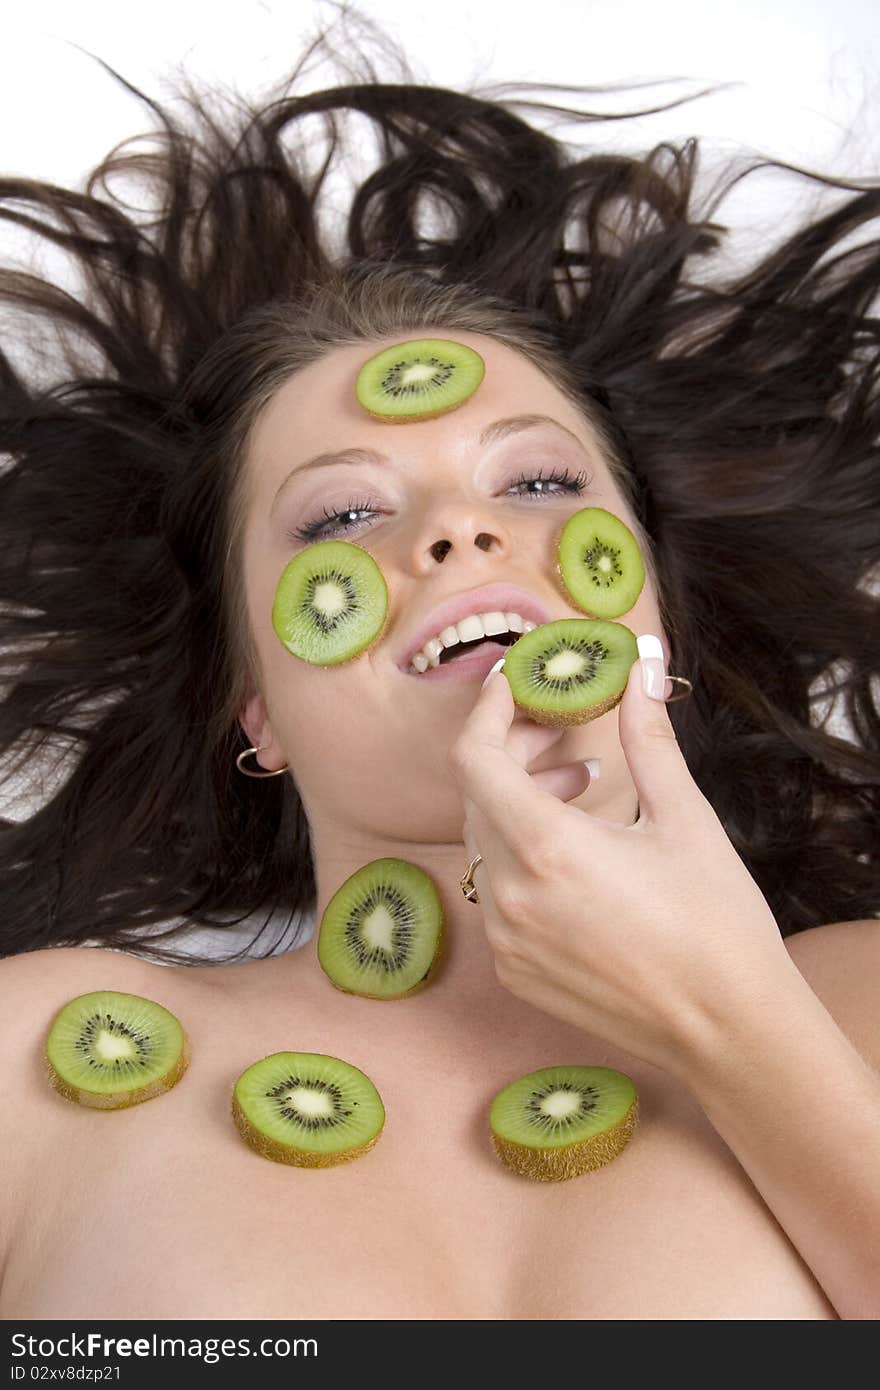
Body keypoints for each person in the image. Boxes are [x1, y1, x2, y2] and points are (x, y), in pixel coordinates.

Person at [1, 8, 878, 1321]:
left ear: (658, 630)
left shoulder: (853, 1002)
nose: (462, 531)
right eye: (343, 516)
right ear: (262, 710)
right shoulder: (39, 1053)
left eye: (536, 479)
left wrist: (733, 1020)